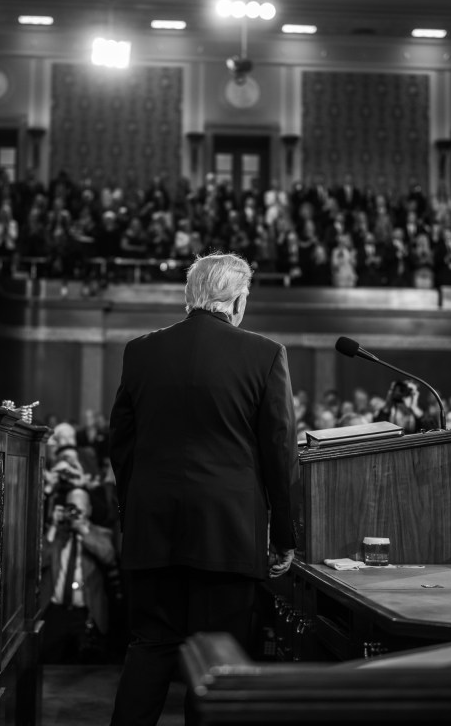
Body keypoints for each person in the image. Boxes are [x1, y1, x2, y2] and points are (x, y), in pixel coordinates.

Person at [108, 252, 296, 726]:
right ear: (235, 300)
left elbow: (121, 444)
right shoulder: (265, 353)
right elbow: (279, 450)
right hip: (228, 532)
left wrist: (134, 509)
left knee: (149, 647)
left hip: (152, 528)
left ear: (191, 296)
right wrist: (285, 535)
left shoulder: (140, 350)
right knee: (219, 663)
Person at [40, 486, 118, 663]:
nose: (74, 512)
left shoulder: (100, 533)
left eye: (79, 508)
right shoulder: (56, 534)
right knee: (48, 663)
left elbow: (108, 556)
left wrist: (83, 530)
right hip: (54, 611)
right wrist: (53, 526)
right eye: (71, 507)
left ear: (89, 509)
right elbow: (40, 561)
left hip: (86, 613)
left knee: (86, 667)